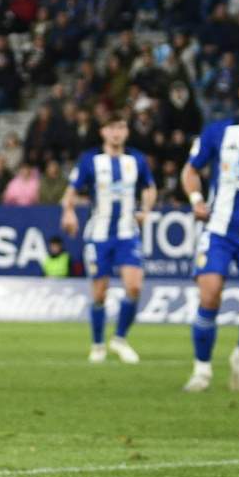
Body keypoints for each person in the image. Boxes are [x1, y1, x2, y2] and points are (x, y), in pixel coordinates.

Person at [61, 111, 155, 365]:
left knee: (134, 286)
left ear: (127, 131)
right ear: (103, 131)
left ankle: (120, 339)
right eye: (112, 127)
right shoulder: (91, 160)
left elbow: (149, 187)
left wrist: (146, 210)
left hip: (127, 233)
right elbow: (71, 190)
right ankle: (98, 343)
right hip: (98, 235)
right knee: (100, 293)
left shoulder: (136, 160)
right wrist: (69, 212)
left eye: (121, 127)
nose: (117, 132)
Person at [181, 72, 239, 393]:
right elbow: (191, 170)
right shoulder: (220, 132)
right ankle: (202, 370)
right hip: (219, 230)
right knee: (209, 294)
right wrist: (196, 199)